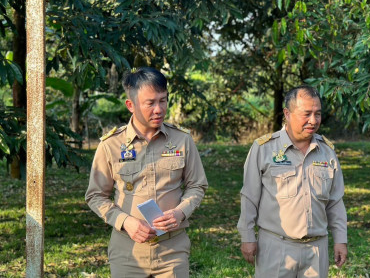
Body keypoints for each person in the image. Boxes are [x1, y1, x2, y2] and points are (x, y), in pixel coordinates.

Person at [85, 67, 208, 277]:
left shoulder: (182, 140)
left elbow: (197, 185)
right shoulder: (111, 145)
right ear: (130, 105)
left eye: (163, 100)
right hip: (128, 251)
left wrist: (181, 212)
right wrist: (125, 222)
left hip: (173, 249)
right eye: (150, 103)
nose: (159, 109)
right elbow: (95, 196)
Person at [237, 85, 347, 278]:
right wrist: (247, 237)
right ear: (287, 113)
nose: (313, 121)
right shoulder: (264, 148)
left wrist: (340, 240)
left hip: (316, 249)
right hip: (276, 247)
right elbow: (249, 197)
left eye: (318, 114)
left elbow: (335, 201)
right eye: (306, 114)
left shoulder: (327, 151)